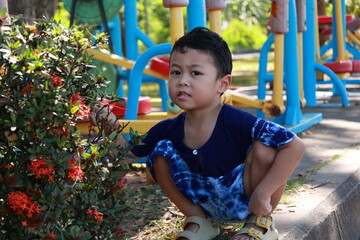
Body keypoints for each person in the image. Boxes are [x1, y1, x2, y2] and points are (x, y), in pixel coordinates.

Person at [91, 27, 306, 240]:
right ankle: (198, 221)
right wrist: (111, 128)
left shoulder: (236, 120)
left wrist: (263, 192)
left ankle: (260, 223)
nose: (183, 80)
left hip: (249, 200)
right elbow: (125, 157)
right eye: (176, 72)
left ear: (222, 84)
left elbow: (295, 145)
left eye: (195, 73)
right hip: (204, 203)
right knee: (159, 152)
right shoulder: (169, 129)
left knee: (266, 148)